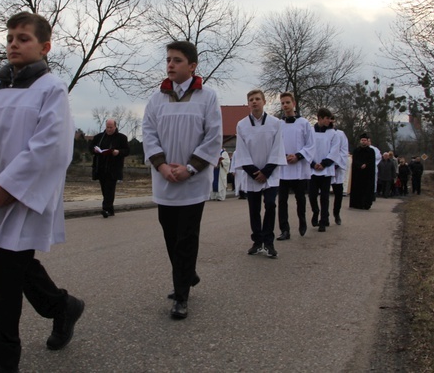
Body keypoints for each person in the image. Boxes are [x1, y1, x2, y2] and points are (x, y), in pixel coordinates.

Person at [0, 11, 84, 373]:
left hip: (28, 196)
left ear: (45, 47)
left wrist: (10, 186)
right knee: (18, 267)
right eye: (11, 37)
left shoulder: (52, 89)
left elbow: (51, 146)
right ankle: (63, 307)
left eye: (23, 38)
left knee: (6, 275)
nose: (14, 43)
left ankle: (1, 355)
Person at [143, 40, 222, 320]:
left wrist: (189, 168)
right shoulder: (156, 99)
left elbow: (213, 138)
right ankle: (187, 274)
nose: (170, 65)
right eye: (168, 60)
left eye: (177, 60)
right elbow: (149, 134)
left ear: (192, 66)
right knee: (170, 233)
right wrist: (162, 166)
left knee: (186, 237)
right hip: (165, 179)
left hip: (192, 181)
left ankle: (181, 295)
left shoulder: (207, 97)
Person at [233, 89, 287, 257]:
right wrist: (254, 172)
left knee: (270, 204)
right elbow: (241, 151)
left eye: (257, 99)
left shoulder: (275, 123)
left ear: (264, 102)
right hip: (252, 173)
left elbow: (277, 148)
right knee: (254, 208)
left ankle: (269, 242)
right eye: (251, 99)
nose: (254, 102)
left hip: (270, 173)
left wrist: (266, 172)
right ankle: (257, 241)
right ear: (248, 103)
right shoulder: (241, 125)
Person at [276, 92, 315, 239]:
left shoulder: (304, 123)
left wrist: (298, 156)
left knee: (300, 199)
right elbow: (276, 144)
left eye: (287, 102)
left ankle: (302, 221)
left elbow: (311, 145)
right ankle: (284, 229)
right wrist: (283, 156)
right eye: (282, 103)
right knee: (282, 201)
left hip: (299, 168)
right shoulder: (278, 124)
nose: (285, 105)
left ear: (294, 104)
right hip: (284, 168)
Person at [307, 108, 341, 232]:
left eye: (329, 118)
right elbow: (306, 148)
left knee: (324, 196)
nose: (329, 121)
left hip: (326, 170)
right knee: (312, 195)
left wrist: (324, 164)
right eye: (326, 118)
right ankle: (315, 211)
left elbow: (334, 151)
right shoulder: (310, 131)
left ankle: (323, 220)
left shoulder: (333, 134)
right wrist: (313, 163)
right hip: (313, 169)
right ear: (320, 118)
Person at [89, 119, 130, 218]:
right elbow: (90, 147)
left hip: (113, 169)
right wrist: (95, 150)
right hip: (101, 167)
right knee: (104, 189)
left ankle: (106, 209)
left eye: (111, 127)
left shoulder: (121, 138)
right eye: (107, 127)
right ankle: (110, 209)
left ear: (115, 127)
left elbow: (127, 151)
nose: (109, 129)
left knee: (109, 189)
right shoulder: (99, 137)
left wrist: (118, 152)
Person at [329, 117, 349, 225]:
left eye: (332, 119)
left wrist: (336, 163)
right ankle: (323, 215)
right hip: (324, 167)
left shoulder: (340, 134)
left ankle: (336, 213)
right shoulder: (320, 133)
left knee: (338, 192)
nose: (330, 122)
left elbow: (344, 150)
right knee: (322, 193)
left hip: (337, 167)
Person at [348, 133, 376, 209]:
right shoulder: (356, 150)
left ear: (367, 141)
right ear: (360, 141)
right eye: (362, 140)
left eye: (365, 140)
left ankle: (366, 204)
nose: (363, 141)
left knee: (366, 189)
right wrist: (359, 165)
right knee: (357, 188)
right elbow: (355, 161)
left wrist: (366, 165)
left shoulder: (371, 151)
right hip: (358, 173)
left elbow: (372, 161)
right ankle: (356, 204)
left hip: (367, 174)